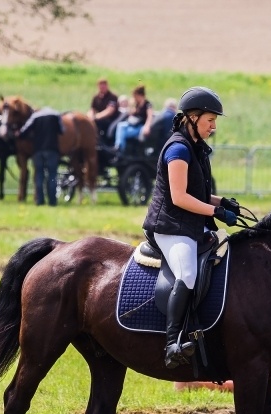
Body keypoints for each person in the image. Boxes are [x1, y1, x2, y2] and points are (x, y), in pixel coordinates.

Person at [142, 87, 239, 369]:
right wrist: (216, 211)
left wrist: (225, 202)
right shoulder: (178, 149)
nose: (214, 126)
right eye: (210, 120)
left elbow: (196, 191)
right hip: (170, 227)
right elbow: (179, 197)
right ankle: (172, 344)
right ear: (193, 118)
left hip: (190, 225)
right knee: (187, 273)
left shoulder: (196, 149)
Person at [17, 106, 63, 206]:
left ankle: (39, 200)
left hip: (38, 151)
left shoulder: (35, 117)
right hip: (52, 150)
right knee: (52, 176)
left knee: (39, 175)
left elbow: (23, 132)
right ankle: (52, 201)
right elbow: (62, 130)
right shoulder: (55, 115)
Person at [114, 84, 154, 153]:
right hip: (133, 124)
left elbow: (150, 117)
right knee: (120, 126)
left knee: (123, 133)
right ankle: (118, 146)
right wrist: (132, 105)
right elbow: (130, 113)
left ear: (139, 95)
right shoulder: (137, 104)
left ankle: (121, 150)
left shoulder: (147, 104)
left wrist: (147, 127)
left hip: (140, 126)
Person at [88, 78, 120, 145]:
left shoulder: (112, 97)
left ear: (107, 86)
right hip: (99, 118)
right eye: (101, 85)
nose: (102, 87)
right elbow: (92, 109)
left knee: (98, 122)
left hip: (111, 120)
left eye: (104, 85)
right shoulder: (96, 97)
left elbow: (109, 111)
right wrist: (89, 117)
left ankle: (101, 142)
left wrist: (96, 117)